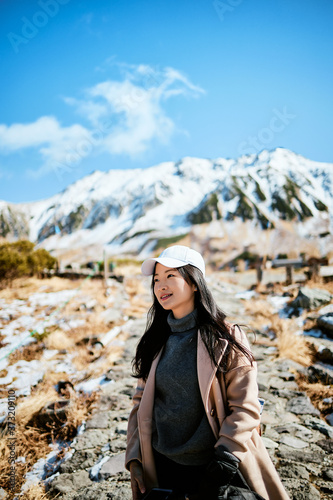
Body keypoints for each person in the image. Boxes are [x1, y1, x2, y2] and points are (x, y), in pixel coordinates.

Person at [125, 245, 289, 500]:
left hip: (213, 465)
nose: (160, 285)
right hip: (163, 464)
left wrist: (225, 460)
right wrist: (135, 457)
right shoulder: (155, 340)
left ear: (194, 283)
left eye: (171, 276)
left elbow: (246, 407)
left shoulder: (224, 337)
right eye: (156, 279)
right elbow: (140, 402)